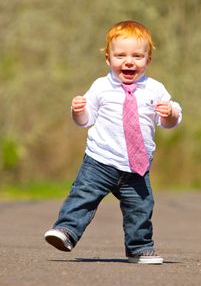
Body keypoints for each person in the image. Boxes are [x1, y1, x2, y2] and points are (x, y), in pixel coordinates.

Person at [44, 20, 182, 265]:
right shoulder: (100, 87)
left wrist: (169, 113)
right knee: (84, 196)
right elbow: (86, 120)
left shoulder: (155, 89)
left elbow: (170, 123)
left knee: (140, 208)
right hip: (101, 160)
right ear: (108, 59)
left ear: (148, 60)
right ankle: (66, 231)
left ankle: (139, 248)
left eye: (137, 56)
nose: (129, 61)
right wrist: (78, 111)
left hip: (136, 167)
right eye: (120, 55)